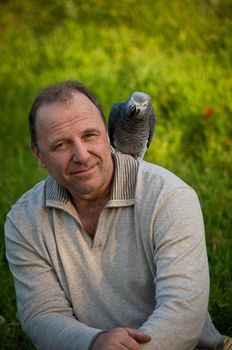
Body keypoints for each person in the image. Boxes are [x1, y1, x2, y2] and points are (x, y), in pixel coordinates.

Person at [4, 80, 226, 350]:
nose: (82, 155)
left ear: (107, 135)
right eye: (60, 145)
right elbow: (41, 314)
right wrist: (94, 342)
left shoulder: (169, 197)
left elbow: (184, 311)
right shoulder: (24, 221)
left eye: (89, 135)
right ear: (38, 155)